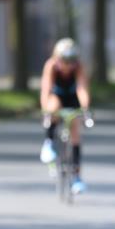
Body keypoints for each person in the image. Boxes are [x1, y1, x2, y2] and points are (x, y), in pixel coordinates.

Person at [39, 38, 92, 194]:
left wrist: (85, 108)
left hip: (72, 97)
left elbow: (82, 89)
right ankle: (48, 143)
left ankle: (76, 177)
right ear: (57, 59)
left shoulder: (79, 67)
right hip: (56, 97)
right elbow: (46, 89)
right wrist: (46, 111)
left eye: (71, 62)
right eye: (64, 61)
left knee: (75, 129)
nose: (68, 66)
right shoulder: (51, 66)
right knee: (53, 106)